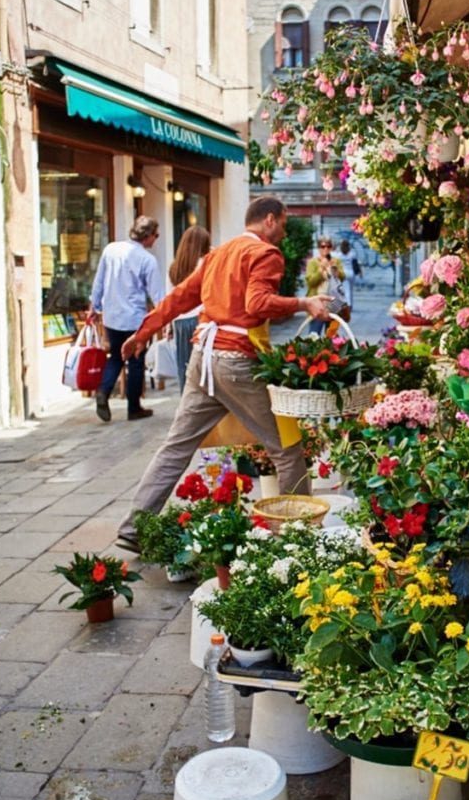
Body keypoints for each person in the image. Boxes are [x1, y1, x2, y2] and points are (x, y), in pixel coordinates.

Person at [113, 195, 331, 552]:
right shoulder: (265, 254)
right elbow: (257, 304)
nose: (285, 231)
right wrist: (304, 303)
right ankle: (298, 538)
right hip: (235, 360)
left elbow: (179, 297)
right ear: (271, 220)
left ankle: (134, 529)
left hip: (203, 357)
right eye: (285, 223)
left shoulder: (219, 253)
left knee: (176, 447)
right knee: (287, 448)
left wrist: (143, 333)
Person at [89, 215, 164, 422]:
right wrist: (163, 318)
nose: (156, 240)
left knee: (116, 356)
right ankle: (134, 407)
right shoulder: (147, 260)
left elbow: (99, 281)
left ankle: (103, 390)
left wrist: (94, 306)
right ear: (147, 236)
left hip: (112, 316)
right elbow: (157, 294)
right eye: (156, 235)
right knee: (136, 361)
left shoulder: (111, 250)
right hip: (134, 318)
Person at [168, 225, 211, 392]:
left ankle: (185, 400)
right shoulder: (205, 264)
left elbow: (170, 298)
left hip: (179, 322)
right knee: (202, 368)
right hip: (200, 320)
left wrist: (169, 325)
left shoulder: (174, 268)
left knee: (184, 367)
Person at [304, 235, 346, 334]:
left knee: (331, 337)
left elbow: (342, 278)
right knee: (314, 335)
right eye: (323, 246)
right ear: (319, 248)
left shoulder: (336, 261)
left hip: (333, 304)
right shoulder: (312, 262)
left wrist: (335, 270)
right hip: (318, 304)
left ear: (331, 247)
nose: (326, 249)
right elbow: (310, 282)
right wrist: (320, 271)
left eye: (328, 246)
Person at [333, 239, 356, 311]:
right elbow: (356, 263)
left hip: (344, 273)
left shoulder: (339, 255)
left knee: (346, 289)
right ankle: (351, 304)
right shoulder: (352, 253)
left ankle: (348, 304)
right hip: (351, 273)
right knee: (350, 289)